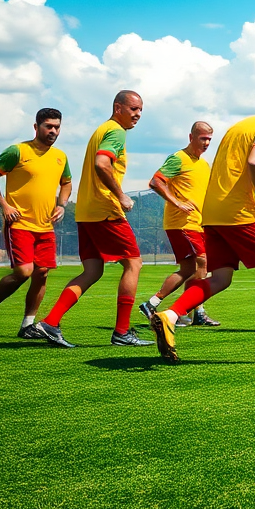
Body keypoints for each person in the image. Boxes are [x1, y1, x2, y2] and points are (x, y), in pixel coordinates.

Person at [150, 84, 255, 363]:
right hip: (238, 210)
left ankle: (170, 315)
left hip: (212, 214)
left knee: (221, 278)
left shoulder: (239, 126)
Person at [31, 91, 152, 348]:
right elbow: (102, 164)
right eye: (133, 109)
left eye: (141, 109)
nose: (138, 114)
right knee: (134, 263)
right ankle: (122, 332)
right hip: (104, 210)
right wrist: (121, 195)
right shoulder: (116, 131)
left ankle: (50, 323)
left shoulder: (102, 129)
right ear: (118, 107)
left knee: (93, 270)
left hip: (86, 212)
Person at [0, 108, 72, 340]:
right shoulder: (17, 151)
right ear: (36, 127)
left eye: (57, 127)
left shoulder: (60, 156)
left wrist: (62, 205)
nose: (53, 131)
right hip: (19, 224)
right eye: (48, 126)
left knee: (42, 274)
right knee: (24, 271)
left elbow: (66, 183)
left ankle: (28, 325)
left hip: (45, 227)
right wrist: (5, 206)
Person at [140, 121, 219, 328]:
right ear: (191, 137)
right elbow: (156, 181)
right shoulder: (178, 158)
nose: (206, 143)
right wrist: (177, 202)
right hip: (182, 223)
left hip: (198, 223)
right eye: (203, 138)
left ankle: (159, 305)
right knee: (202, 263)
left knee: (191, 267)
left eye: (209, 139)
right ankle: (188, 311)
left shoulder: (203, 164)